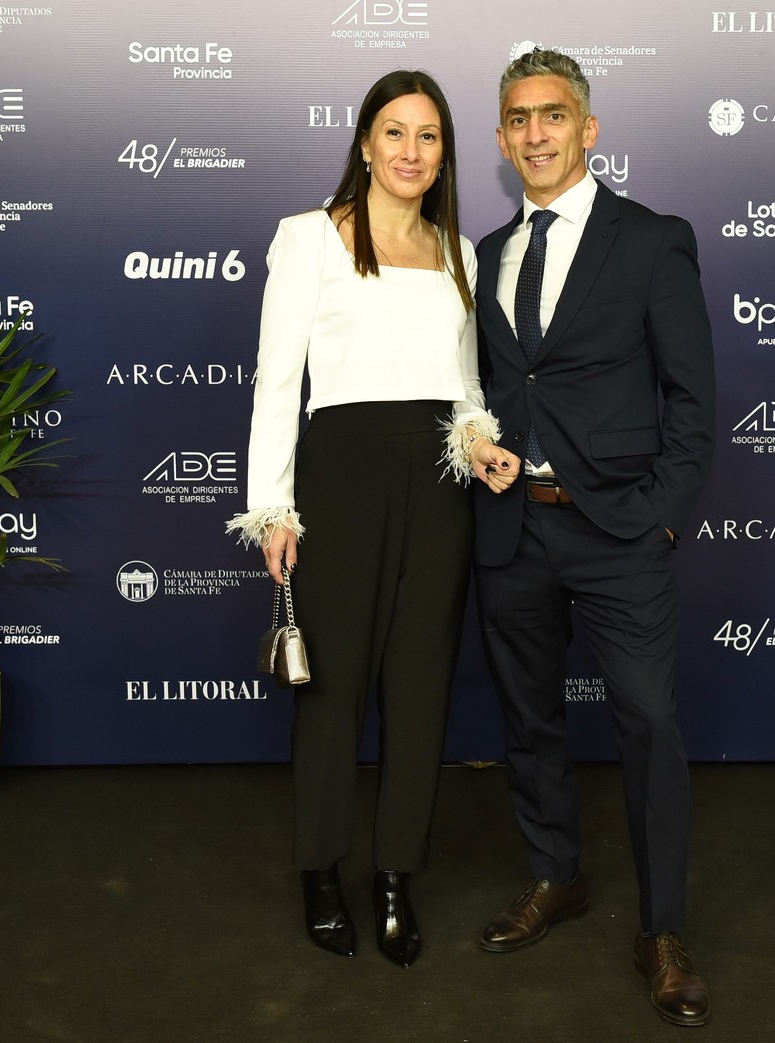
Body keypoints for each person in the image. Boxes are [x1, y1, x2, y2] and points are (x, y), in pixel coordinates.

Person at [226, 69, 518, 969]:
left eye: (428, 137)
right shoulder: (308, 238)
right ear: (363, 142)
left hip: (438, 491)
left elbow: (467, 388)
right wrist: (271, 505)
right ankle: (321, 869)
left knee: (420, 689)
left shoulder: (460, 251)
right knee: (332, 692)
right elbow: (279, 379)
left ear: (444, 154)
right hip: (341, 481)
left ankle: (395, 876)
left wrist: (480, 443)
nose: (410, 152)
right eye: (394, 133)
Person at [465, 48, 717, 1026]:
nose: (535, 133)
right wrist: (476, 444)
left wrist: (657, 512)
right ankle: (554, 874)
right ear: (499, 138)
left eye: (553, 115)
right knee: (527, 721)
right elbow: (484, 392)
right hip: (510, 529)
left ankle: (661, 929)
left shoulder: (652, 241)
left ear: (587, 128)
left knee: (648, 722)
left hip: (618, 530)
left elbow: (692, 399)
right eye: (518, 119)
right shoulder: (481, 256)